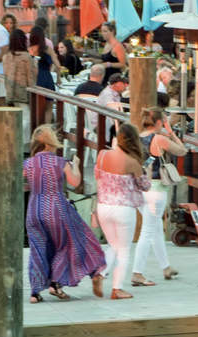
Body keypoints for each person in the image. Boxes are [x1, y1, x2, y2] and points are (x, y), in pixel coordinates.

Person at [22, 125, 105, 303]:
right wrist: (76, 166)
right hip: (56, 209)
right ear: (50, 143)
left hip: (34, 210)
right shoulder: (60, 162)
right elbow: (75, 182)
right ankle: (56, 283)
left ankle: (35, 293)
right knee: (66, 245)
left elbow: (18, 182)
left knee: (37, 249)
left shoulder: (27, 164)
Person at [94, 124, 151, 300]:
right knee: (124, 249)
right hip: (124, 209)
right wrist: (147, 172)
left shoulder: (102, 155)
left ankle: (100, 273)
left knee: (113, 245)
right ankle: (117, 289)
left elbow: (97, 177)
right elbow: (145, 186)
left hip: (104, 207)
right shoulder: (132, 162)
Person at [132, 109, 187, 284]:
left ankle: (166, 267)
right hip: (155, 188)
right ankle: (137, 272)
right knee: (148, 231)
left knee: (155, 229)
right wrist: (171, 133)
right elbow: (182, 151)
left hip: (139, 188)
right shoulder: (159, 139)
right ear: (158, 122)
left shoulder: (136, 138)